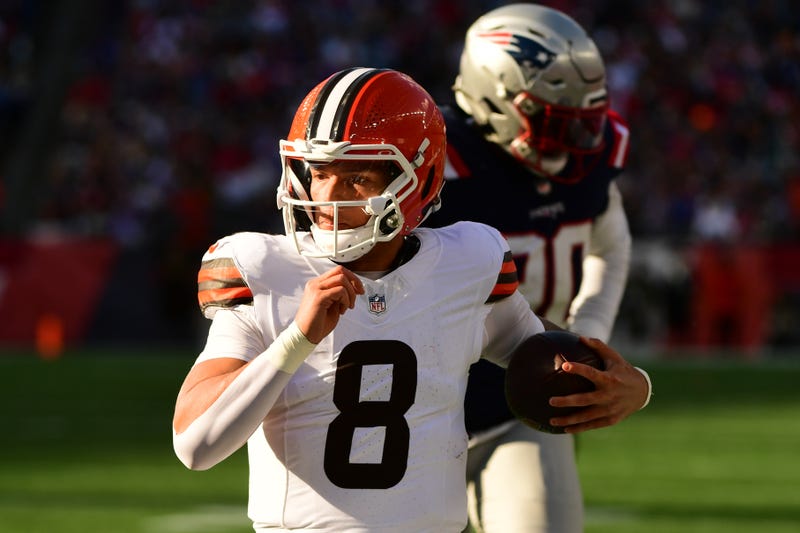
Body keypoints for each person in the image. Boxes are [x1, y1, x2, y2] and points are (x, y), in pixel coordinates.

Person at [172, 67, 651, 532]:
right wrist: (296, 340)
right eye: (318, 172)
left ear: (416, 181)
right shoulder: (262, 270)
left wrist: (634, 387)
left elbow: (548, 359)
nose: (327, 197)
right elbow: (196, 445)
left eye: (357, 178)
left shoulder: (468, 262)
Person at [425, 4, 639, 532]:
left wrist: (584, 340)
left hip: (516, 409)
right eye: (553, 122)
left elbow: (609, 248)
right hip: (416, 405)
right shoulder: (432, 161)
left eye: (583, 124)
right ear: (494, 98)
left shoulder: (590, 163)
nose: (574, 146)